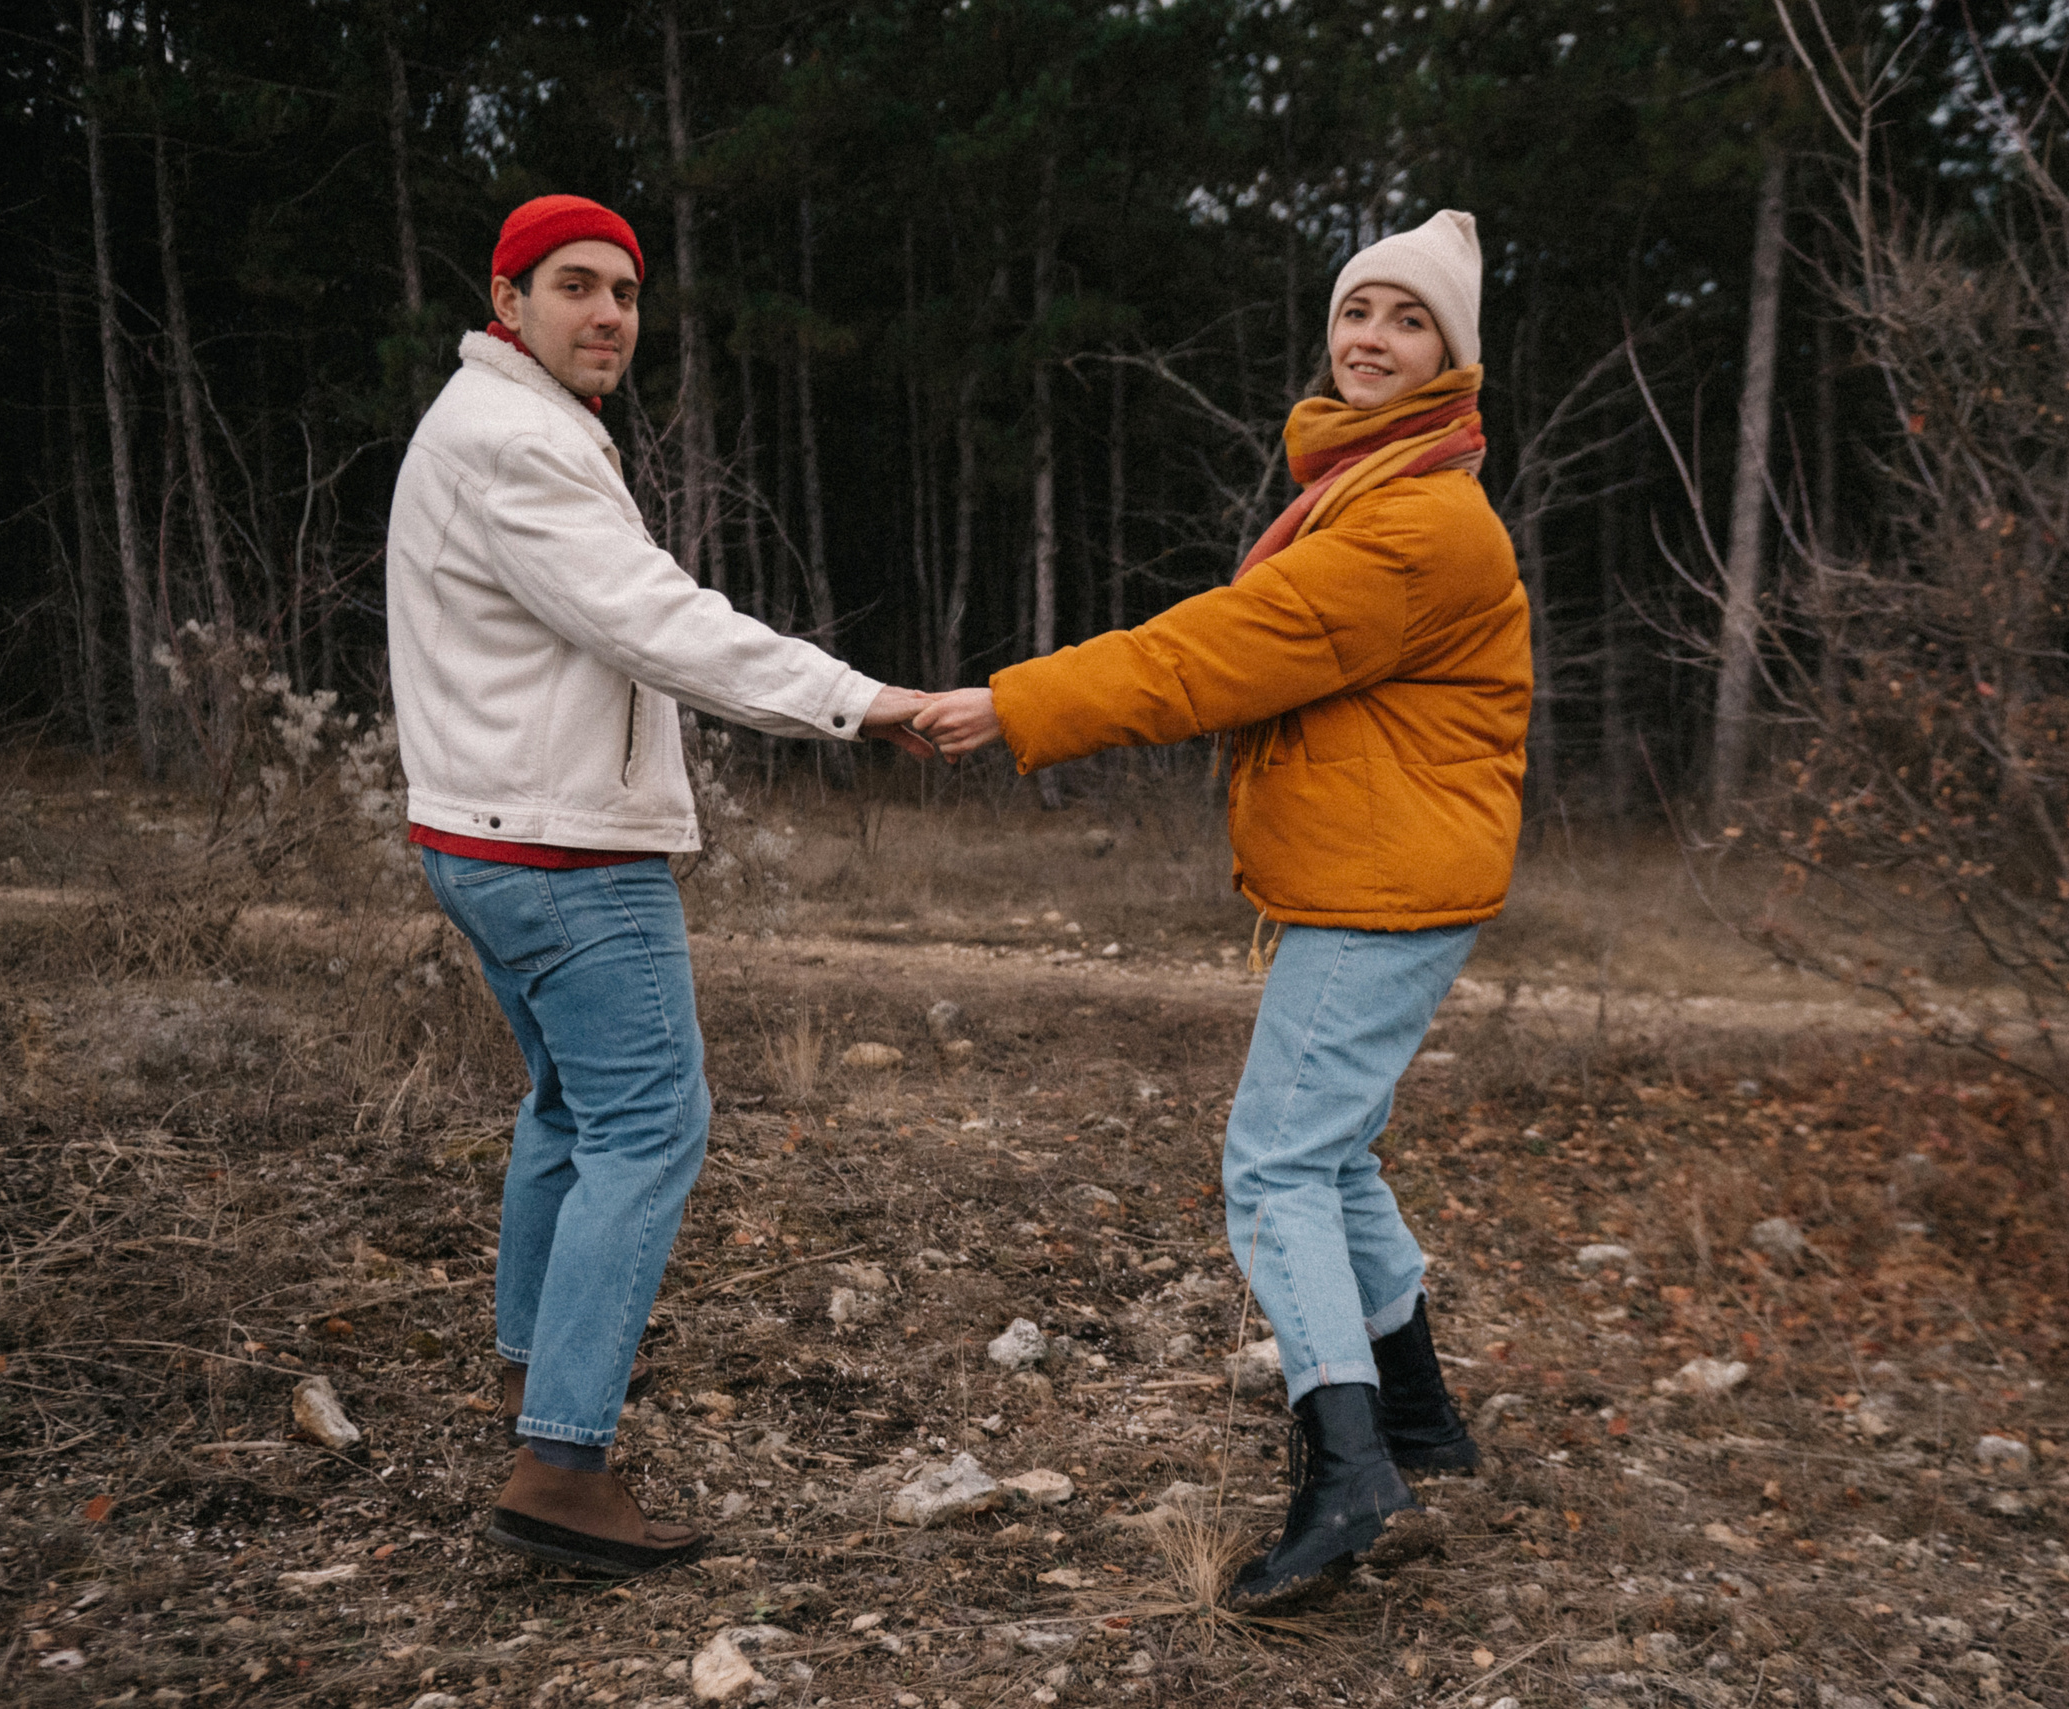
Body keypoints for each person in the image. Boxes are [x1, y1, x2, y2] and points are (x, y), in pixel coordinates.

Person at [911, 209, 1528, 1612]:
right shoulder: (1378, 486)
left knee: (1276, 1167)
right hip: (1389, 874)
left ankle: (1348, 1470)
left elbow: (1221, 650)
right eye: (1358, 310)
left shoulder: (1418, 521)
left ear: (1453, 358)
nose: (1371, 338)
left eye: (1410, 321)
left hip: (1384, 888)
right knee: (1334, 1152)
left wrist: (1016, 705)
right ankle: (1419, 1418)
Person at [386, 193, 930, 1577]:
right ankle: (562, 1466)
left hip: (490, 833)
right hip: (560, 853)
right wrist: (859, 701)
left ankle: (538, 1375)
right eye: (574, 285)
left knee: (573, 1110)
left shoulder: (503, 422)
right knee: (650, 1125)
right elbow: (656, 620)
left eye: (625, 292)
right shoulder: (518, 441)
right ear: (507, 302)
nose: (608, 314)